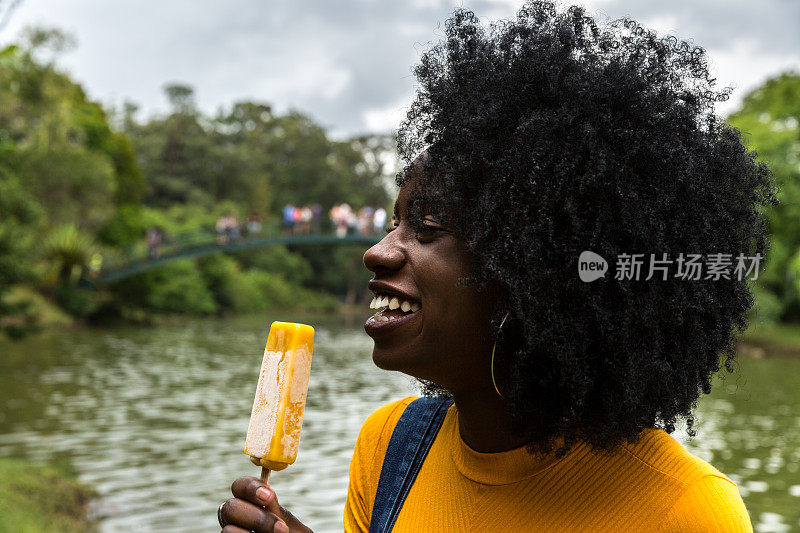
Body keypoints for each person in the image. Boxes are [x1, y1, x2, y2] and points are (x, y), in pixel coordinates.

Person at [218, 3, 776, 531]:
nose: (379, 251)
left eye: (428, 227)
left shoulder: (687, 512)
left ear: (532, 273)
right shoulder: (389, 447)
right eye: (395, 222)